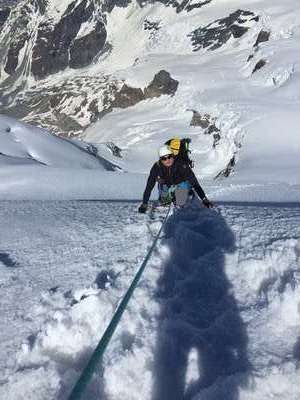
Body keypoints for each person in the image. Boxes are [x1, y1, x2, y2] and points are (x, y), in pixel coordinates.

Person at [138, 145, 213, 213]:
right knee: (164, 202)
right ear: (160, 159)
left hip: (181, 184)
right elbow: (149, 185)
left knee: (180, 203)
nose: (167, 160)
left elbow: (194, 183)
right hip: (166, 185)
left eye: (169, 156)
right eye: (164, 158)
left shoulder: (182, 165)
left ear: (173, 155)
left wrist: (204, 199)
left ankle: (188, 193)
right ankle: (170, 197)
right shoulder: (157, 167)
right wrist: (144, 203)